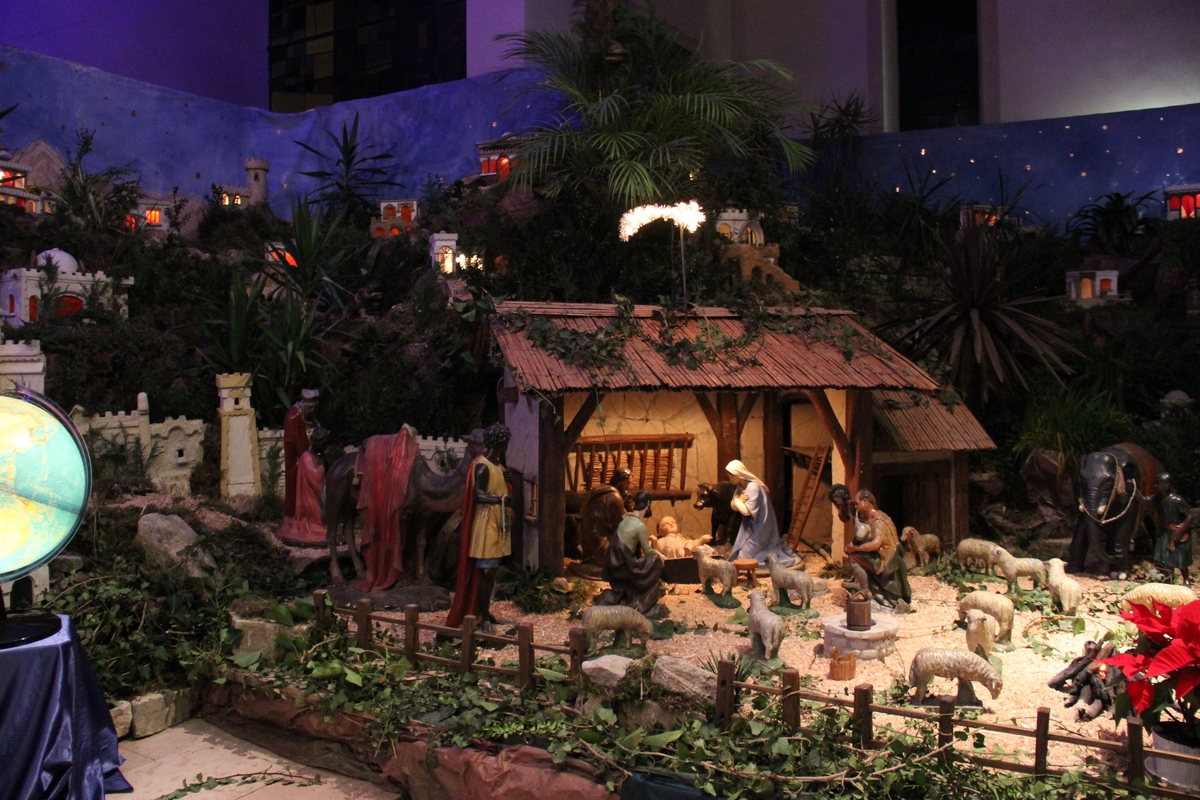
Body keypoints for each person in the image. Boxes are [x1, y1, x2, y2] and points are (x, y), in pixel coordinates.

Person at [446, 423, 513, 633]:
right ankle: (483, 617)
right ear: (502, 443)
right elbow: (479, 495)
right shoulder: (482, 466)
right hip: (486, 524)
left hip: (495, 522)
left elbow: (497, 486)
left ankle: (485, 612)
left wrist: (505, 481)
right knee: (487, 571)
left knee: (491, 572)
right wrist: (501, 499)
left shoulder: (496, 465)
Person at [595, 491, 664, 614]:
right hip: (624, 564)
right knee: (656, 561)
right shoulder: (640, 526)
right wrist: (659, 556)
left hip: (612, 562)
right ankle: (642, 593)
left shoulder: (625, 518)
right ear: (648, 504)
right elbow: (647, 551)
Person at [845, 489, 912, 610]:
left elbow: (876, 544)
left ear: (865, 501)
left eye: (857, 503)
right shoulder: (872, 517)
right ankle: (864, 586)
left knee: (854, 557)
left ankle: (865, 590)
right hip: (881, 555)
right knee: (858, 554)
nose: (856, 507)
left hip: (886, 559)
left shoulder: (879, 521)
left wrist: (854, 549)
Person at [726, 460, 797, 566]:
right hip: (748, 527)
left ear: (740, 474)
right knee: (739, 555)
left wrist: (737, 500)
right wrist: (737, 501)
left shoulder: (753, 487)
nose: (730, 478)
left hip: (760, 528)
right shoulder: (740, 487)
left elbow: (746, 512)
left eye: (732, 476)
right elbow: (733, 507)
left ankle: (769, 559)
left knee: (745, 558)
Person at [277, 426, 329, 544]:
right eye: (323, 443)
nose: (325, 446)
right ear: (316, 442)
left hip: (317, 496)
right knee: (318, 523)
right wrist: (322, 467)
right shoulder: (306, 457)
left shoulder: (317, 455)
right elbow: (315, 478)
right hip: (310, 497)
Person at [1150, 472, 1196, 587]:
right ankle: (1168, 577)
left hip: (1177, 531)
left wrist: (1181, 530)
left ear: (1167, 485)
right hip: (1165, 531)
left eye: (1159, 483)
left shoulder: (1177, 500)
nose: (1156, 485)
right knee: (1164, 557)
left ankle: (1186, 579)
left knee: (1180, 558)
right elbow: (1144, 501)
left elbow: (1190, 515)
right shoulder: (1156, 499)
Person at [580, 467, 632, 567]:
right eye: (628, 483)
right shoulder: (615, 497)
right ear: (622, 483)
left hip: (588, 545)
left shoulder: (601, 490)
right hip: (600, 547)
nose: (629, 487)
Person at [282, 389, 320, 519]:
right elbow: (297, 441)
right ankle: (296, 515)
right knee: (295, 486)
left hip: (300, 456)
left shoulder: (303, 414)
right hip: (296, 460)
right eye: (311, 406)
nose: (312, 409)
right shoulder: (294, 416)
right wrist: (307, 452)